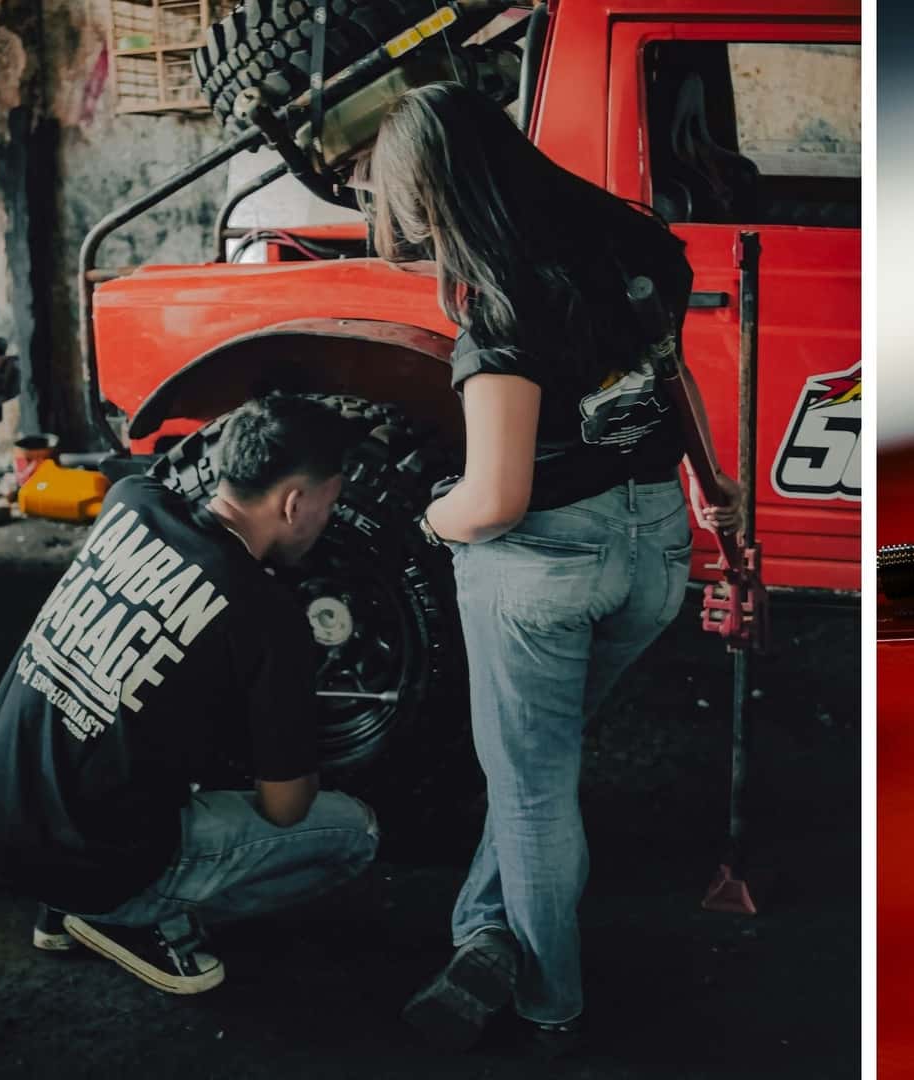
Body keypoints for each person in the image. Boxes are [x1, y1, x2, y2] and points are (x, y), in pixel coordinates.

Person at [361, 81, 739, 1054]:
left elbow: (495, 500)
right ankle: (488, 934)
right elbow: (674, 376)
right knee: (544, 765)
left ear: (435, 193)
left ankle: (549, 1007)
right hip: (655, 552)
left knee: (531, 787)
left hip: (543, 572)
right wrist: (713, 485)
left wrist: (426, 519)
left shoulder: (499, 313)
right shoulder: (636, 242)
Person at [0, 394, 379, 995]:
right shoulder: (266, 615)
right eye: (329, 504)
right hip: (93, 858)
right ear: (294, 502)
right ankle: (130, 915)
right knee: (352, 833)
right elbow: (287, 810)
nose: (326, 521)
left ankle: (63, 902)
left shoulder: (132, 503)